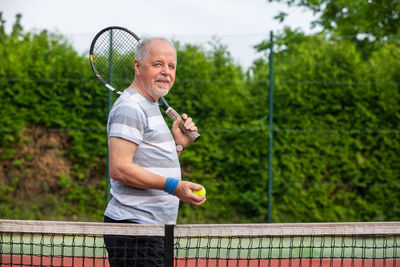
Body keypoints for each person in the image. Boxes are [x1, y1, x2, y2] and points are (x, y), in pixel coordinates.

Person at [103, 37, 206, 266]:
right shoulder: (130, 107)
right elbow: (119, 169)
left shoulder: (150, 104)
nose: (166, 72)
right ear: (138, 66)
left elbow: (148, 163)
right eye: (157, 64)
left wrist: (178, 146)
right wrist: (175, 187)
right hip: (135, 231)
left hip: (155, 229)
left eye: (171, 66)